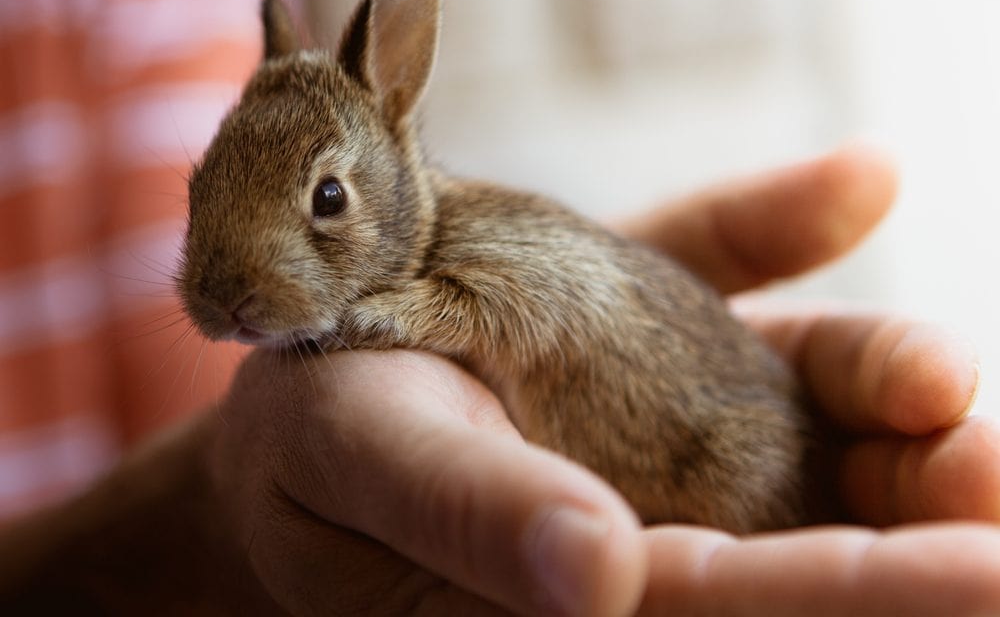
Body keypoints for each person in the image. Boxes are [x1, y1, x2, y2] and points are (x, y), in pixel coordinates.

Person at [2, 147, 1000, 616]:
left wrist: (415, 317)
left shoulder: (478, 238)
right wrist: (220, 504)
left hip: (714, 456)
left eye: (327, 200)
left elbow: (535, 299)